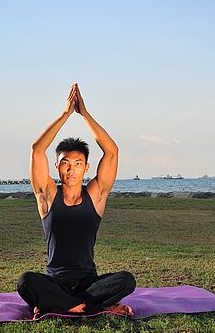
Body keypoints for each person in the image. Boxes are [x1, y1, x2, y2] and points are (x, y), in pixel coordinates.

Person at [17, 83, 136, 318]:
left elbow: (112, 152)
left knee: (126, 280)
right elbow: (36, 150)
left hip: (88, 284)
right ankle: (90, 306)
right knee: (25, 281)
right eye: (65, 163)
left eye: (78, 164)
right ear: (57, 167)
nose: (71, 170)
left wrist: (84, 114)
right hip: (55, 281)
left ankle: (61, 305)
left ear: (86, 168)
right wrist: (65, 115)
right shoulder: (48, 195)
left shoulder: (96, 195)